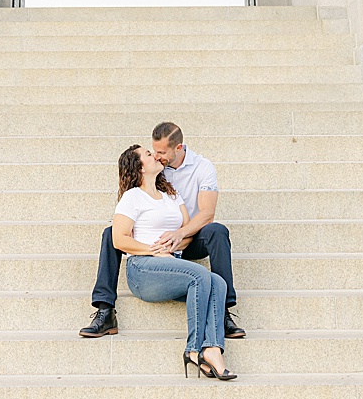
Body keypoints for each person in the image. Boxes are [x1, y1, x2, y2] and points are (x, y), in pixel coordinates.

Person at [80, 121, 244, 340]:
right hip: (156, 246)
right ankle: (105, 308)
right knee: (111, 233)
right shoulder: (149, 179)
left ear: (178, 148)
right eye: (152, 152)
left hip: (189, 237)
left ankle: (222, 312)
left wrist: (179, 235)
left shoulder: (202, 168)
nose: (157, 157)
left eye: (160, 152)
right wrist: (154, 248)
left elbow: (206, 214)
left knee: (217, 231)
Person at [109, 143, 235, 379]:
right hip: (143, 269)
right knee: (200, 275)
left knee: (217, 282)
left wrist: (175, 244)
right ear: (139, 167)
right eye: (148, 154)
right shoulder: (132, 197)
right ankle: (194, 349)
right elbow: (118, 239)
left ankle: (213, 349)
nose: (155, 156)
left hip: (174, 265)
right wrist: (153, 250)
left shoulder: (171, 194)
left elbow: (185, 232)